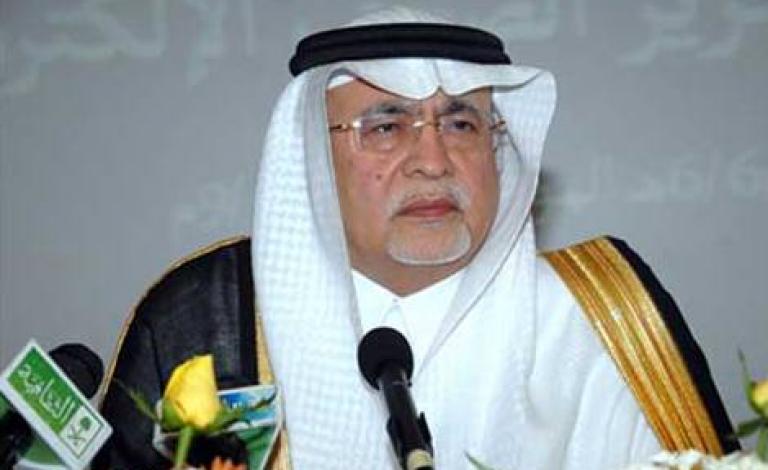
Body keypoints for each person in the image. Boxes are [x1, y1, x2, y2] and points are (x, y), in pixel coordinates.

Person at [94, 7, 735, 469]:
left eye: (461, 124)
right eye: (385, 127)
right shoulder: (203, 315)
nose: (433, 161)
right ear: (312, 158)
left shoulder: (600, 315)